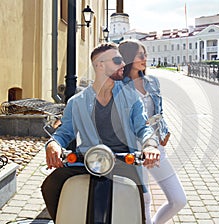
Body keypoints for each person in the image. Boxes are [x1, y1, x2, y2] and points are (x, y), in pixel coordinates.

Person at [41, 42, 160, 222]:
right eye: (117, 60)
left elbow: (143, 128)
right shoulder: (77, 101)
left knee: (141, 206)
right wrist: (53, 145)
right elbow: (64, 132)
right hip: (88, 162)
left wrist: (150, 145)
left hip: (124, 160)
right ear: (100, 65)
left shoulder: (131, 96)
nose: (122, 65)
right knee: (50, 186)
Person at [119, 39, 187, 224]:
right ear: (128, 58)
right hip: (132, 148)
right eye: (140, 54)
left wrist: (164, 131)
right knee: (144, 199)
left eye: (145, 54)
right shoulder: (118, 86)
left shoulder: (152, 82)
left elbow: (159, 111)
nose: (144, 58)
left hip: (155, 147)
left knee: (179, 200)